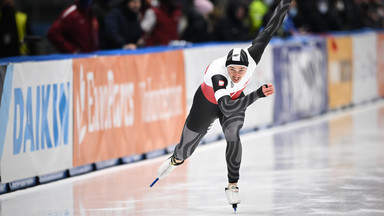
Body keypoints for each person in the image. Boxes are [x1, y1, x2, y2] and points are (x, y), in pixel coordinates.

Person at [154, 0, 292, 209]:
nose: (236, 75)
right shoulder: (218, 74)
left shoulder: (253, 56)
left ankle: (233, 185)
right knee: (185, 151)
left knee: (232, 134)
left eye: (241, 71)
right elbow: (226, 107)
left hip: (234, 99)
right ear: (226, 67)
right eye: (232, 70)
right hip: (208, 102)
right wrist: (257, 94)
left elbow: (271, 27)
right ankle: (176, 159)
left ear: (248, 66)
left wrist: (285, 3)